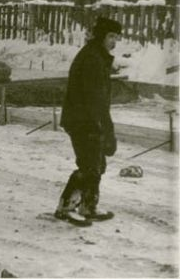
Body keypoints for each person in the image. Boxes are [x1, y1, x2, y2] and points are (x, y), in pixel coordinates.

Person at [54, 16, 122, 224]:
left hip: (89, 118)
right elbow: (94, 98)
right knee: (89, 165)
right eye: (111, 36)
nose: (114, 41)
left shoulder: (98, 56)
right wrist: (102, 127)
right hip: (83, 120)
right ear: (101, 35)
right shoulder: (92, 59)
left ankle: (88, 205)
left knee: (97, 163)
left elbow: (99, 100)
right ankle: (66, 207)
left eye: (116, 37)